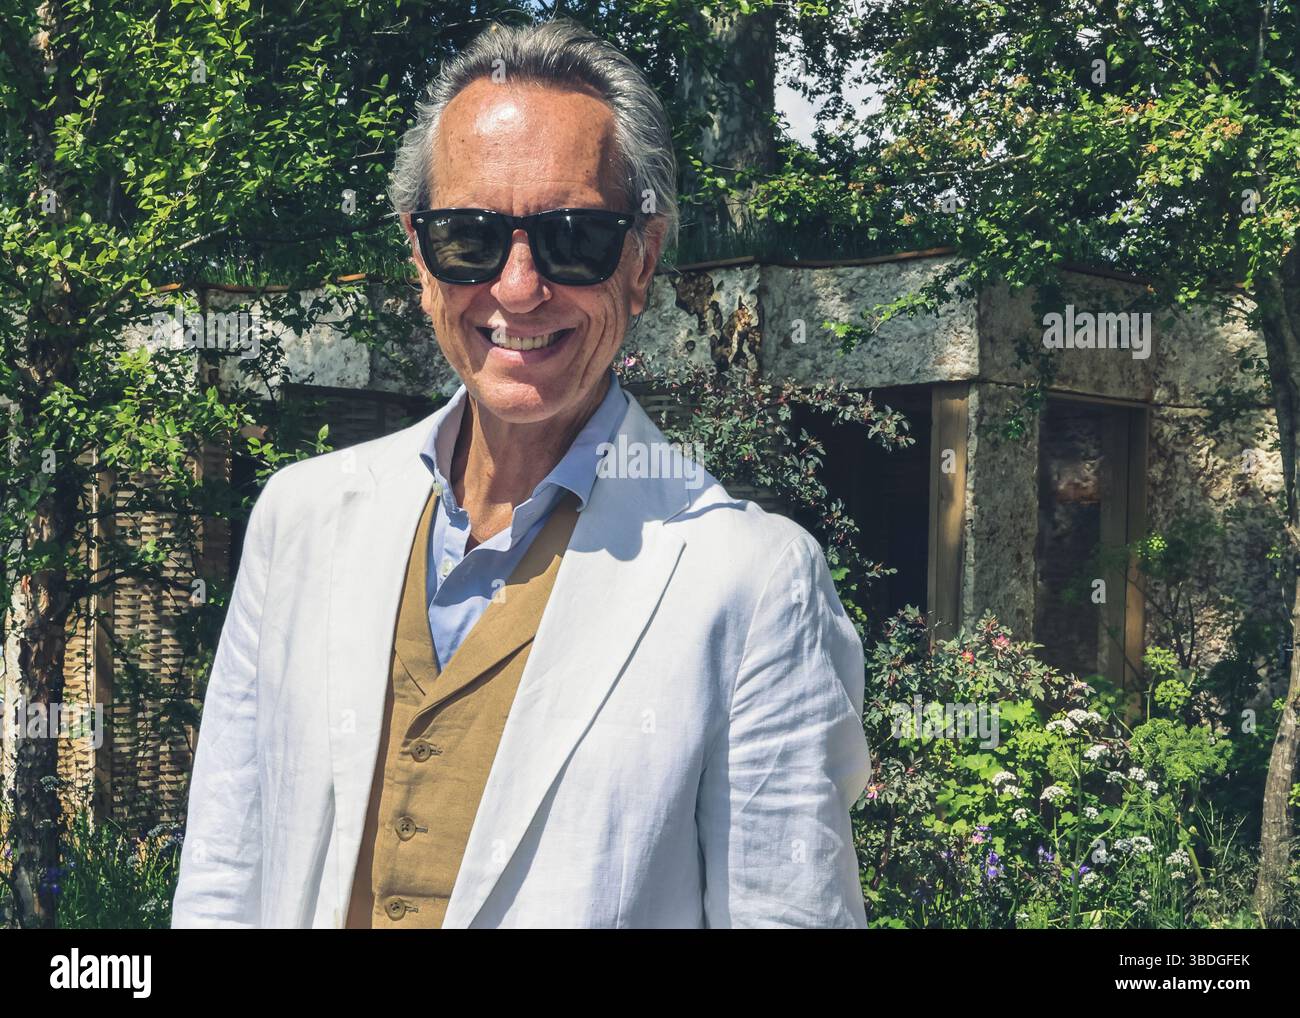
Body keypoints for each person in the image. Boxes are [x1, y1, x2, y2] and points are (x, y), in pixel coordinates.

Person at [172, 16, 870, 929]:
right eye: (469, 236)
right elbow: (228, 869)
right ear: (419, 257)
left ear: (642, 261)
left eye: (573, 236)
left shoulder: (749, 580)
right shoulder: (300, 519)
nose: (516, 287)